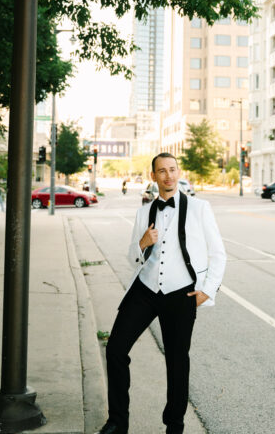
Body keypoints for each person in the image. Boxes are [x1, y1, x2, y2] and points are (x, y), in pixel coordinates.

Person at [96, 153, 226, 434]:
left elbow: (218, 253)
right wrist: (142, 243)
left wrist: (208, 289)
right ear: (153, 176)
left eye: (172, 169)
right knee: (116, 349)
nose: (167, 175)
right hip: (145, 289)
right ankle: (118, 421)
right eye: (161, 171)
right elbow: (132, 258)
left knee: (177, 361)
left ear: (178, 172)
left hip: (181, 293)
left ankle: (174, 425)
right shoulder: (144, 212)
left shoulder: (200, 208)